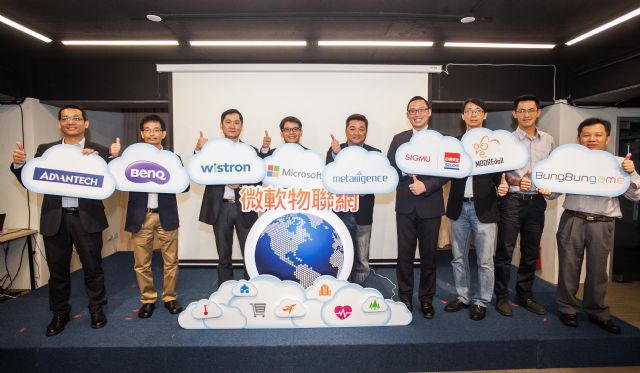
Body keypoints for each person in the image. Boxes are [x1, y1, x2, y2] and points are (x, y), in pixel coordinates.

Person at [10, 104, 120, 336]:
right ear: (60, 123)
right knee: (57, 270)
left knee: (93, 268)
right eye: (66, 118)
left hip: (87, 219)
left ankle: (97, 309)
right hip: (55, 219)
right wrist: (20, 165)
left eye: (76, 118)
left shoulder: (98, 150)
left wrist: (109, 160)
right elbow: (32, 180)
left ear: (85, 123)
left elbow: (113, 183)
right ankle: (60, 313)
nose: (71, 122)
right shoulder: (46, 150)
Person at [555, 117, 639, 334]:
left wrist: (631, 173)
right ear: (579, 138)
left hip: (603, 223)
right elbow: (553, 190)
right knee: (568, 268)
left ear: (607, 138)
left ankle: (597, 312)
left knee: (598, 271)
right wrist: (547, 190)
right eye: (586, 135)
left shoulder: (620, 163)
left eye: (597, 135)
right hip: (573, 219)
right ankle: (567, 309)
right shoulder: (569, 161)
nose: (592, 139)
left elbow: (636, 195)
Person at [444, 98, 509, 320]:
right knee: (458, 257)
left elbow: (502, 174)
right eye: (469, 111)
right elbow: (445, 171)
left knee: (484, 259)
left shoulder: (494, 144)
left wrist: (504, 183)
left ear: (485, 115)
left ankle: (481, 301)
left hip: (485, 208)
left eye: (477, 111)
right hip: (458, 208)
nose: (473, 114)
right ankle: (463, 297)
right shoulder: (454, 144)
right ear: (462, 116)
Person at [387, 96, 448, 319]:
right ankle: (404, 297)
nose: (417, 114)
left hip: (430, 205)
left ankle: (426, 300)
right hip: (405, 205)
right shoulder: (398, 139)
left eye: (421, 109)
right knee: (404, 256)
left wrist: (427, 185)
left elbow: (448, 170)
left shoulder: (441, 139)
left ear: (429, 112)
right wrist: (404, 171)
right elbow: (390, 167)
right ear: (408, 115)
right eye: (412, 110)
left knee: (429, 256)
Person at [494, 94, 554, 317]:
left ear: (538, 112)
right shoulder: (505, 141)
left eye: (531, 110)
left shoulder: (548, 140)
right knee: (504, 252)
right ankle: (501, 296)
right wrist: (516, 181)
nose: (526, 114)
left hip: (536, 203)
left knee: (530, 251)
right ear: (514, 114)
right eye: (522, 110)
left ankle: (525, 294)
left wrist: (549, 188)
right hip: (512, 201)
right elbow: (500, 174)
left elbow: (552, 172)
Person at [124, 115, 186, 318]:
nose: (152, 133)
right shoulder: (131, 158)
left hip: (166, 215)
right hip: (141, 215)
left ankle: (169, 297)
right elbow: (117, 180)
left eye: (156, 129)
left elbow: (184, 186)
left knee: (171, 262)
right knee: (142, 263)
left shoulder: (172, 158)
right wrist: (114, 158)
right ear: (142, 134)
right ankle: (148, 299)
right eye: (148, 130)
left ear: (163, 134)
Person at [196, 109, 259, 284]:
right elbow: (197, 171)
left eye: (237, 122)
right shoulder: (210, 150)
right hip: (220, 207)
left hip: (245, 208)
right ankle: (225, 290)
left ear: (242, 126)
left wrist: (243, 184)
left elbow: (259, 180)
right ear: (221, 125)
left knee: (250, 252)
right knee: (223, 254)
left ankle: (252, 287)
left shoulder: (251, 150)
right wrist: (199, 150)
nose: (233, 125)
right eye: (228, 122)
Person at [325, 113, 381, 286]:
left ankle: (358, 293)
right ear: (346, 130)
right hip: (339, 213)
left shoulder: (375, 154)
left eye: (361, 129)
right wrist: (336, 155)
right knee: (338, 256)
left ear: (366, 132)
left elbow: (379, 181)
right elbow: (328, 177)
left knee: (362, 260)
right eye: (352, 128)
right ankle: (340, 292)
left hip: (363, 214)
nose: (357, 133)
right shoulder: (335, 149)